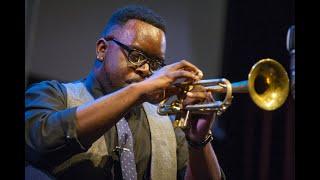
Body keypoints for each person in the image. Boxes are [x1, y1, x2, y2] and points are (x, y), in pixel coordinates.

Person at [25, 5, 226, 180]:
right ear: (102, 49)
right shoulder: (51, 94)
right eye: (136, 56)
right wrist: (139, 91)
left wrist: (198, 141)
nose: (147, 70)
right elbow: (43, 141)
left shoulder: (169, 126)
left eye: (155, 64)